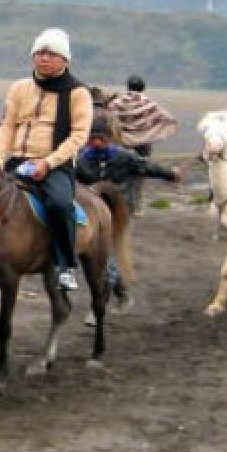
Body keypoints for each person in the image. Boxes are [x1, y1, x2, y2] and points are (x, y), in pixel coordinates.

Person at [0, 27, 93, 292]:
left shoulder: (77, 93)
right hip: (16, 160)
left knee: (60, 204)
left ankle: (66, 264)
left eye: (50, 53)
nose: (43, 58)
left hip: (54, 165)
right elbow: (7, 127)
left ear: (65, 60)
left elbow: (79, 135)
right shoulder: (18, 88)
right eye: (39, 53)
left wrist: (47, 163)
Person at [75, 116, 179, 323]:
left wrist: (170, 174)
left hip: (118, 211)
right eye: (92, 139)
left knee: (105, 257)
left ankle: (101, 303)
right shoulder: (82, 159)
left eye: (100, 139)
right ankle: (121, 294)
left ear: (108, 138)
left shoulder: (124, 157)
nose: (96, 143)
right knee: (97, 256)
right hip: (93, 213)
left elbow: (147, 166)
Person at [107, 75, 179, 213]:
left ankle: (118, 204)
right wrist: (152, 130)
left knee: (120, 173)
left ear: (128, 86)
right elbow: (165, 117)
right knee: (141, 171)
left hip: (122, 144)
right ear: (143, 87)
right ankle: (136, 205)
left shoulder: (116, 102)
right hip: (143, 144)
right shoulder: (148, 102)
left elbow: (109, 117)